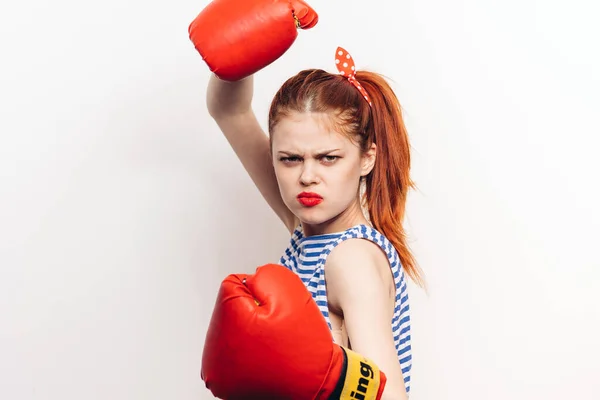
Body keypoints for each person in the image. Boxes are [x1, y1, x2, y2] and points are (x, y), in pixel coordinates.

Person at [190, 0, 425, 398]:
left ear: (367, 157)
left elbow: (388, 395)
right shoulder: (307, 226)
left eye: (329, 158)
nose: (307, 176)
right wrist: (249, 34)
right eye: (289, 159)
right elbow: (227, 110)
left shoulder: (351, 260)